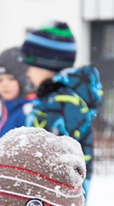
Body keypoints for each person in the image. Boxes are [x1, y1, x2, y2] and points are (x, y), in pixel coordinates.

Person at [19, 22, 101, 190]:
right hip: (49, 201)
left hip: (54, 203)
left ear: (46, 64)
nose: (27, 72)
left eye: (30, 65)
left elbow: (53, 161)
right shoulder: (53, 99)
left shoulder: (63, 102)